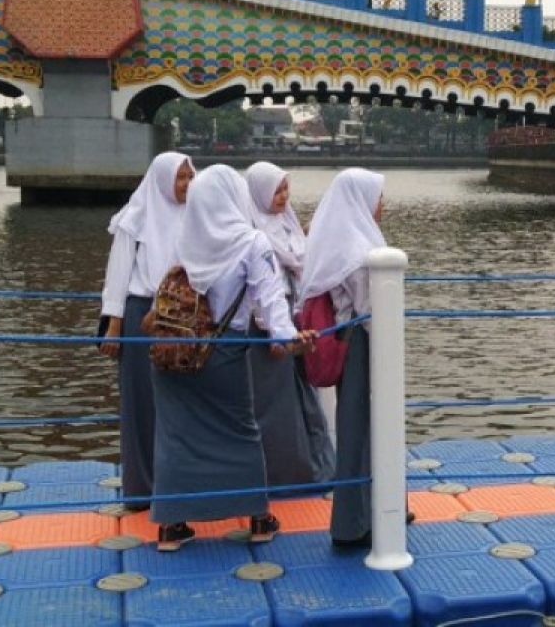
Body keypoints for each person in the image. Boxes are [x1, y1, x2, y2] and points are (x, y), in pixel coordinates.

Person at [151, 165, 315, 551]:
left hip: (174, 351)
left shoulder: (185, 235)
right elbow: (272, 305)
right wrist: (292, 339)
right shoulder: (252, 243)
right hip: (224, 351)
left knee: (177, 435)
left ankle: (172, 526)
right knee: (241, 431)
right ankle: (258, 518)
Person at [297, 168, 401, 547]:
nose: (382, 205)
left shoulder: (337, 241)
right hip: (364, 344)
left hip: (349, 341)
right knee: (366, 427)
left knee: (360, 426)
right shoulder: (360, 253)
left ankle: (368, 511)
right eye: (378, 197)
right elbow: (372, 309)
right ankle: (359, 520)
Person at [100, 152, 194, 510]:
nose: (186, 185)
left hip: (181, 315)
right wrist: (114, 324)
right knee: (140, 403)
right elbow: (118, 273)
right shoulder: (136, 218)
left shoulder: (195, 217)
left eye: (190, 177)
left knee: (180, 399)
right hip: (142, 315)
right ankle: (141, 489)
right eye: (180, 178)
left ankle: (177, 483)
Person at [242, 161, 334, 487]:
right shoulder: (251, 230)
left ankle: (313, 465)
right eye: (276, 191)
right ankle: (284, 472)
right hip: (268, 325)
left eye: (285, 190)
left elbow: (301, 259)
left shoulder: (287, 222)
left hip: (295, 319)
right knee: (277, 400)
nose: (282, 197)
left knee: (305, 396)